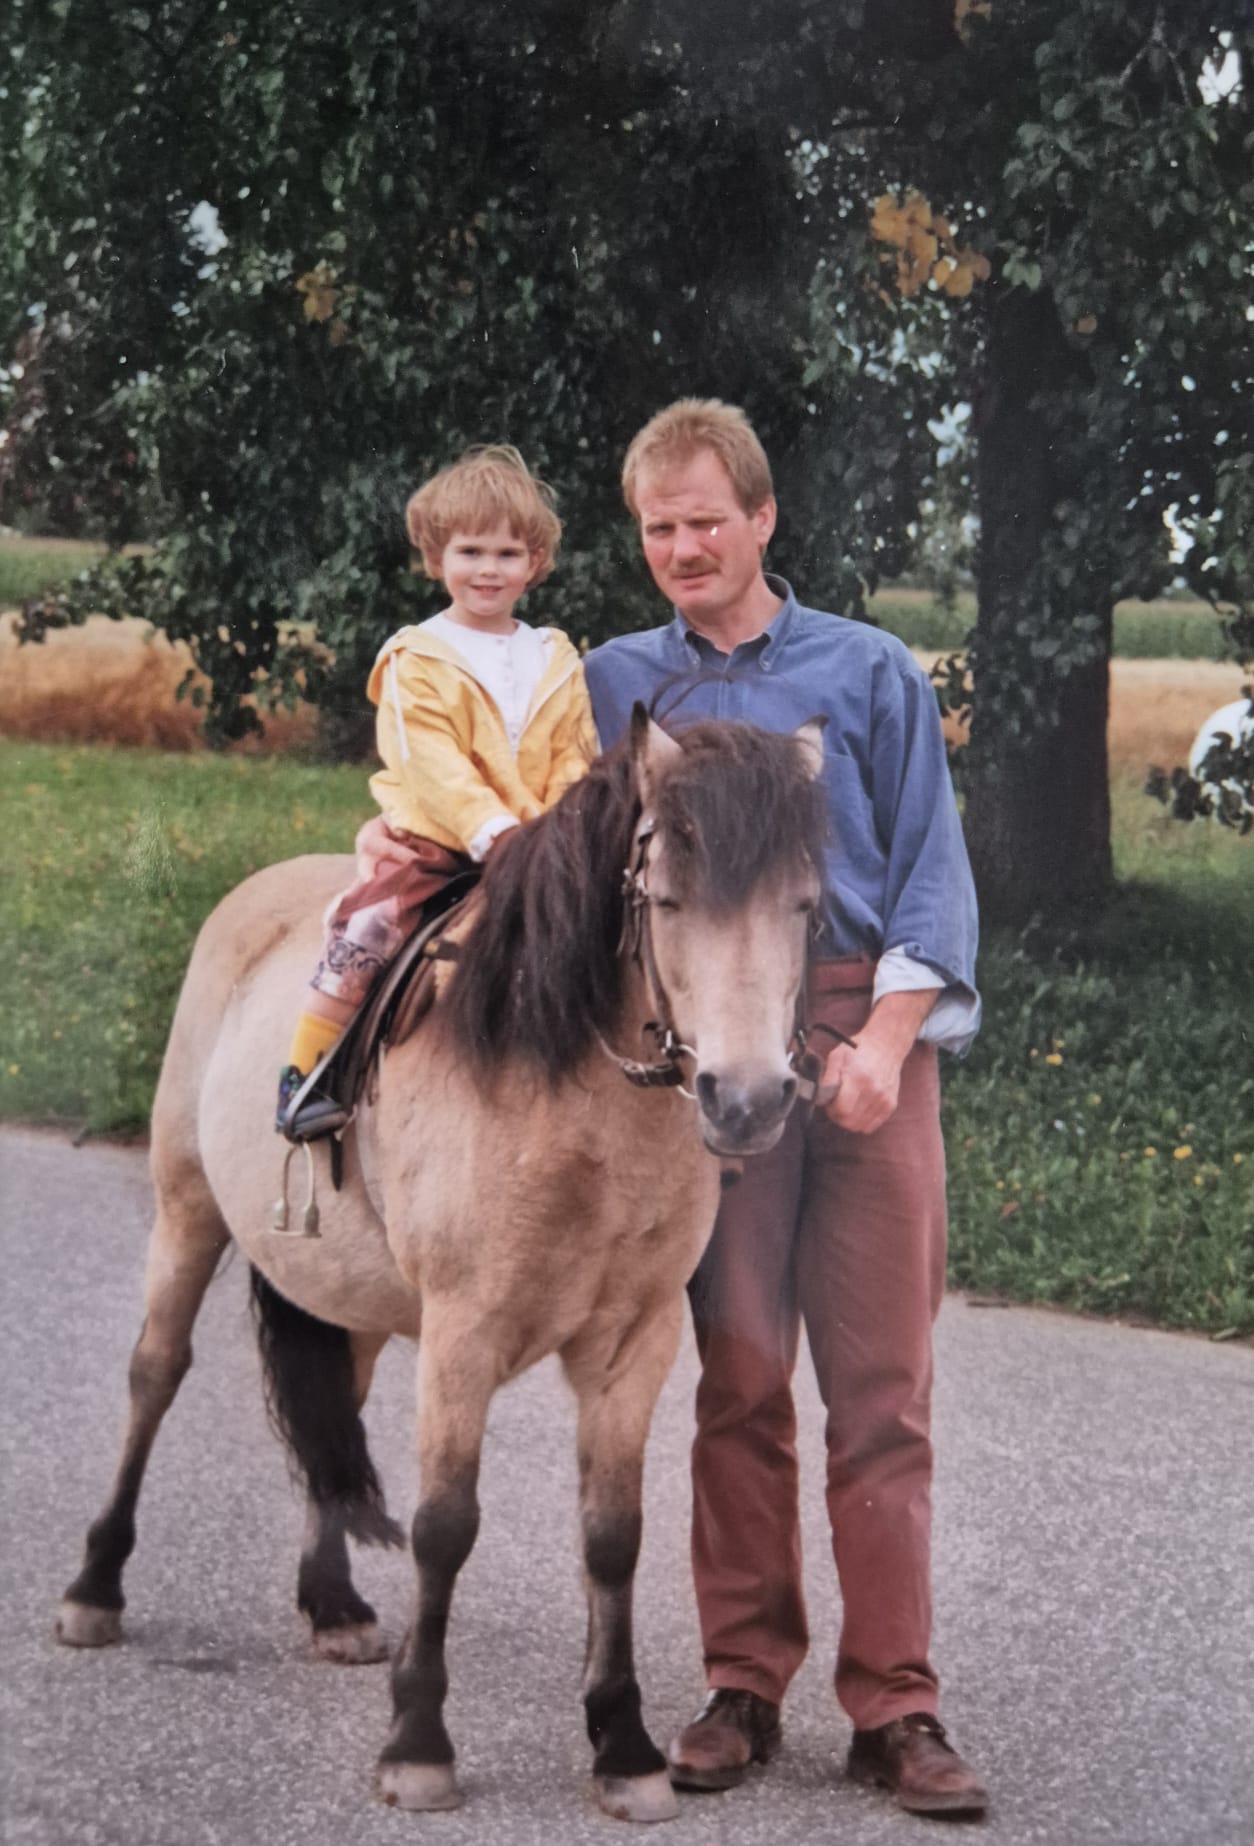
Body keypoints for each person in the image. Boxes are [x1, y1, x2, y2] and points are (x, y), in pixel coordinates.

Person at [583, 400, 987, 1818]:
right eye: (657, 527)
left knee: (881, 1390)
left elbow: (932, 876)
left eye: (706, 517)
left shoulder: (868, 672)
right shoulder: (616, 683)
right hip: (708, 1046)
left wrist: (884, 1038)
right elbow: (566, 868)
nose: (683, 545)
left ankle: (897, 1701)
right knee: (738, 1376)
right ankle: (740, 1682)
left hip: (858, 1035)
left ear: (762, 518)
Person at [277, 444, 597, 1138]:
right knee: (367, 928)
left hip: (545, 844)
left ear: (535, 563)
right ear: (437, 558)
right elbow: (431, 763)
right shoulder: (415, 657)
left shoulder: (555, 657)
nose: (488, 569)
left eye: (508, 554)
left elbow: (576, 754)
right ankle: (308, 1072)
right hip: (444, 842)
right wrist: (495, 833)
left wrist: (558, 832)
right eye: (470, 551)